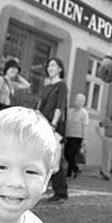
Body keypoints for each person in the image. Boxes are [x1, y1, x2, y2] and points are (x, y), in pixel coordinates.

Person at [38, 57, 68, 203]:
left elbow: (60, 105)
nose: (50, 68)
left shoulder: (62, 85)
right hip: (43, 122)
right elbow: (41, 105)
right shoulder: (47, 86)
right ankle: (53, 188)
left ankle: (61, 191)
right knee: (45, 156)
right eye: (49, 65)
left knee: (54, 159)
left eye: (54, 65)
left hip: (54, 125)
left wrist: (54, 123)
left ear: (60, 69)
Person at [64, 93, 89, 180]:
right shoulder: (70, 111)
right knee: (66, 154)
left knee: (72, 154)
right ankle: (75, 168)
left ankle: (69, 173)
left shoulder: (84, 113)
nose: (78, 102)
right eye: (77, 100)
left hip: (78, 137)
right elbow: (67, 123)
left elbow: (84, 126)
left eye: (80, 101)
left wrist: (84, 139)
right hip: (68, 135)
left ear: (83, 103)